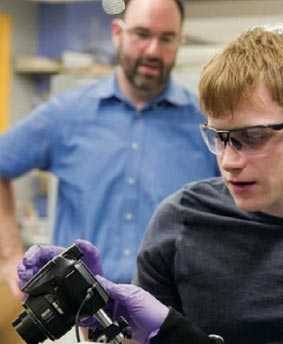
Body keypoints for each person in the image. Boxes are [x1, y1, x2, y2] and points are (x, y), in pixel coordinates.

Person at [18, 28, 283, 344]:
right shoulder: (181, 221)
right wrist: (101, 309)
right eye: (219, 138)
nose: (229, 161)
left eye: (252, 138)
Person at [0, 0, 218, 295]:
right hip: (77, 314)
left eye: (166, 38)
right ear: (118, 33)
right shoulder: (67, 114)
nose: (153, 50)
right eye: (142, 34)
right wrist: (10, 256)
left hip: (172, 316)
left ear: (179, 40)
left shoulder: (206, 125)